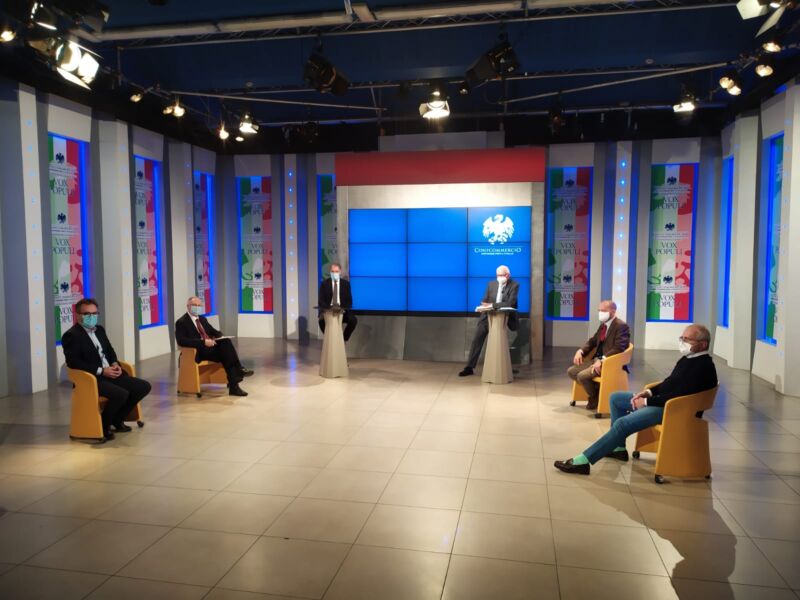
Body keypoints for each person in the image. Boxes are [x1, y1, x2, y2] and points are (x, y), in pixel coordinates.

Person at [554, 323, 718, 475]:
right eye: (682, 338)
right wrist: (648, 393)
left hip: (675, 410)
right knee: (616, 398)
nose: (682, 342)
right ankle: (618, 448)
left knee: (622, 424)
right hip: (665, 403)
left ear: (703, 344)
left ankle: (584, 460)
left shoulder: (703, 367)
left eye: (687, 339)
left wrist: (645, 403)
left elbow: (678, 396)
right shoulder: (689, 359)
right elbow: (669, 383)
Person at [62, 298, 151, 441]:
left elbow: (109, 350)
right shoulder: (71, 335)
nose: (91, 317)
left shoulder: (100, 330)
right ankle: (103, 425)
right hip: (93, 378)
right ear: (77, 315)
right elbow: (74, 363)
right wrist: (101, 371)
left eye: (94, 313)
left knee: (143, 387)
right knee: (121, 394)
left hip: (110, 373)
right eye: (87, 314)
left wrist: (115, 363)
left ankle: (117, 419)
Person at [175, 296, 253, 397]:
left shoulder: (202, 319)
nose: (197, 307)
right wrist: (203, 342)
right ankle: (237, 377)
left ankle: (235, 383)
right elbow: (182, 341)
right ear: (188, 306)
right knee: (227, 354)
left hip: (210, 349)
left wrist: (220, 336)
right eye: (194, 305)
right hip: (198, 351)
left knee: (226, 344)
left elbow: (214, 331)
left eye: (199, 306)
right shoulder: (181, 322)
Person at [567, 300, 631, 410]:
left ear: (613, 311)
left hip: (609, 362)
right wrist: (580, 351)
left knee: (582, 376)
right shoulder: (603, 326)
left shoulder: (621, 326)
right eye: (599, 310)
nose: (601, 313)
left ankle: (594, 398)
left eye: (604, 311)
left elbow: (619, 348)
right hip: (596, 359)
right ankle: (596, 395)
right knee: (571, 371)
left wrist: (602, 360)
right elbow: (593, 341)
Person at [459, 265, 519, 377]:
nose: (499, 277)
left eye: (501, 275)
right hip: (488, 316)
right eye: (497, 275)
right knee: (477, 339)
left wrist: (492, 305)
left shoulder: (514, 285)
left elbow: (510, 303)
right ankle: (469, 367)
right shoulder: (491, 284)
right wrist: (484, 305)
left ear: (508, 275)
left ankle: (504, 367)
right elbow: (484, 300)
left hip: (503, 318)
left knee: (500, 342)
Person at [318, 262, 357, 341]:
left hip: (342, 311)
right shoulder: (324, 284)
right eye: (332, 271)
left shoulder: (346, 284)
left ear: (340, 272)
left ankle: (343, 339)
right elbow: (321, 301)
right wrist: (328, 309)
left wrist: (342, 309)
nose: (334, 273)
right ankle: (330, 339)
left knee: (353, 320)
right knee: (321, 321)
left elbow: (349, 301)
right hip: (328, 311)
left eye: (336, 271)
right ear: (330, 272)